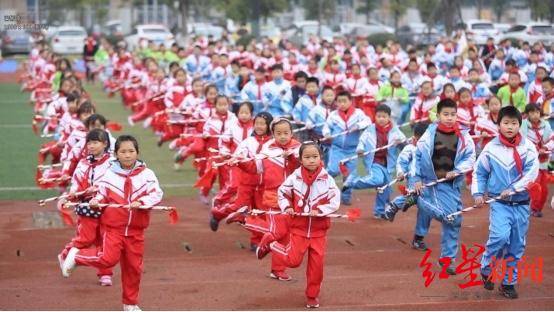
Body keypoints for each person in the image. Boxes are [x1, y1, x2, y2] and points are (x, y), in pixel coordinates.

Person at [61, 135, 164, 311]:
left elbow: (157, 193)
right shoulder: (109, 174)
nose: (127, 155)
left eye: (131, 151)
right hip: (113, 228)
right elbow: (102, 194)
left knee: (133, 268)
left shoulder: (147, 174)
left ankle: (130, 304)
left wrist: (143, 202)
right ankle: (77, 257)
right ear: (116, 154)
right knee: (107, 259)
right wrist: (96, 200)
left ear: (138, 152)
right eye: (123, 152)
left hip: (136, 231)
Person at [388, 99, 475, 274]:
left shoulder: (464, 136)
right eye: (446, 114)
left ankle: (446, 259)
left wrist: (458, 170)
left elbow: (470, 157)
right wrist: (417, 178)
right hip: (431, 182)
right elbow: (417, 158)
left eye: (453, 114)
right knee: (450, 217)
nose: (450, 118)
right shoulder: (429, 134)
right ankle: (417, 198)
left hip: (452, 184)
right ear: (438, 115)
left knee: (455, 220)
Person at [257, 142, 340, 309]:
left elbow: (335, 200)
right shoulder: (294, 177)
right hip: (299, 229)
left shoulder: (327, 179)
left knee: (317, 268)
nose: (311, 160)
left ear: (320, 158)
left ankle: (312, 296)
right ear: (300, 159)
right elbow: (282, 193)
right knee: (293, 261)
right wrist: (287, 207)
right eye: (307, 157)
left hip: (319, 232)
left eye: (315, 157)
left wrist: (321, 210)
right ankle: (272, 244)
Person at [472, 106, 539, 299]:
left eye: (514, 123)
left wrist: (514, 188)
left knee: (516, 246)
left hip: (521, 204)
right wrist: (477, 193)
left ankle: (508, 283)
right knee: (499, 237)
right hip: (499, 204)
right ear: (499, 124)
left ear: (520, 125)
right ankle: (486, 268)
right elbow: (480, 172)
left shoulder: (528, 147)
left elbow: (532, 174)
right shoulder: (491, 148)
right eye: (506, 123)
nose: (510, 127)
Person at [242, 118, 301, 281]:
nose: (283, 136)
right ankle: (259, 234)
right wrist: (240, 163)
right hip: (273, 195)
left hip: (293, 196)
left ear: (291, 133)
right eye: (278, 133)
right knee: (278, 231)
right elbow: (255, 168)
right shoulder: (268, 150)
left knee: (286, 235)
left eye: (286, 133)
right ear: (273, 134)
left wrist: (292, 158)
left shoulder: (298, 148)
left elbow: (304, 167)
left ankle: (277, 269)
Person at [58, 129, 114, 286]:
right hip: (86, 207)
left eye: (95, 142)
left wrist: (98, 189)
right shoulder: (83, 163)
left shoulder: (112, 163)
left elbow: (113, 183)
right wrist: (74, 194)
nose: (91, 146)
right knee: (86, 238)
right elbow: (76, 183)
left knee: (105, 239)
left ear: (105, 144)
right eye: (89, 142)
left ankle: (105, 273)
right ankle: (66, 254)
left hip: (106, 206)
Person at [344, 104, 406, 218]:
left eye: (384, 116)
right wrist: (360, 149)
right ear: (375, 117)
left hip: (388, 164)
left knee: (385, 189)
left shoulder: (395, 130)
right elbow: (362, 140)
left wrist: (400, 142)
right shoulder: (370, 129)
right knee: (378, 179)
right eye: (379, 116)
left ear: (389, 117)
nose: (381, 119)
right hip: (375, 161)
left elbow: (404, 145)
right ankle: (353, 183)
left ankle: (379, 212)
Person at [383, 122, 431, 251]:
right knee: (416, 195)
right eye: (420, 140)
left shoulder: (432, 149)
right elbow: (402, 162)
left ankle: (419, 238)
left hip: (429, 183)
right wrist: (400, 172)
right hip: (414, 179)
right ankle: (396, 205)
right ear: (415, 139)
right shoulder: (410, 148)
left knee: (426, 207)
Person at [322, 91, 371, 205]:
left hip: (352, 150)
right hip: (337, 149)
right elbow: (326, 127)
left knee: (350, 176)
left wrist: (358, 126)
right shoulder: (333, 115)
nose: (342, 104)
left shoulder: (358, 113)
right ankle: (324, 192)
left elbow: (367, 121)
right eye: (339, 101)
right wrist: (327, 134)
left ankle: (345, 197)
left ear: (350, 101)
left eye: (344, 101)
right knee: (333, 170)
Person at [520, 104, 553, 217]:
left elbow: (552, 139)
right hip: (528, 162)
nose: (535, 115)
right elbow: (521, 141)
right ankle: (526, 206)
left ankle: (536, 208)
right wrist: (534, 150)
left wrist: (545, 148)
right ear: (527, 114)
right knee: (532, 185)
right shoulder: (522, 125)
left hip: (543, 162)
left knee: (544, 189)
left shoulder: (546, 125)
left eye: (537, 112)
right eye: (532, 112)